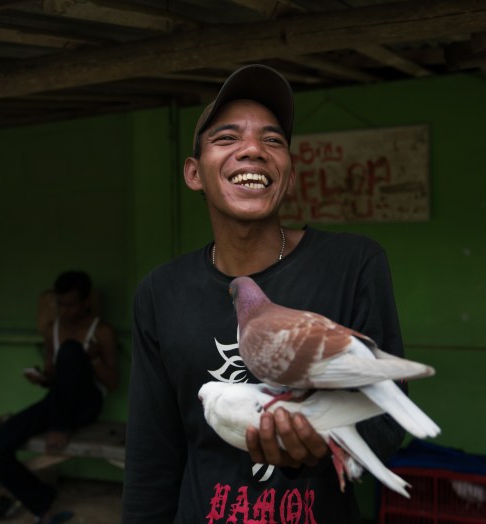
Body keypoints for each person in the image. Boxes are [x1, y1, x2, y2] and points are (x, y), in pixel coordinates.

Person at [122, 64, 407, 522]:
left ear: (288, 176)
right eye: (227, 138)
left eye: (272, 140)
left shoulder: (353, 265)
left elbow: (389, 418)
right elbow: (152, 455)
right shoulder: (161, 292)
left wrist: (320, 442)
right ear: (194, 173)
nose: (252, 150)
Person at [0, 270, 119, 524]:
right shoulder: (51, 329)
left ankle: (61, 425)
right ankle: (41, 502)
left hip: (86, 404)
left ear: (86, 301)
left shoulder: (102, 331)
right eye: (60, 304)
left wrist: (95, 358)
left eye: (71, 304)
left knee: (69, 351)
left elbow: (112, 382)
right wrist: (42, 379)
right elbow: (55, 377)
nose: (65, 311)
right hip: (57, 403)